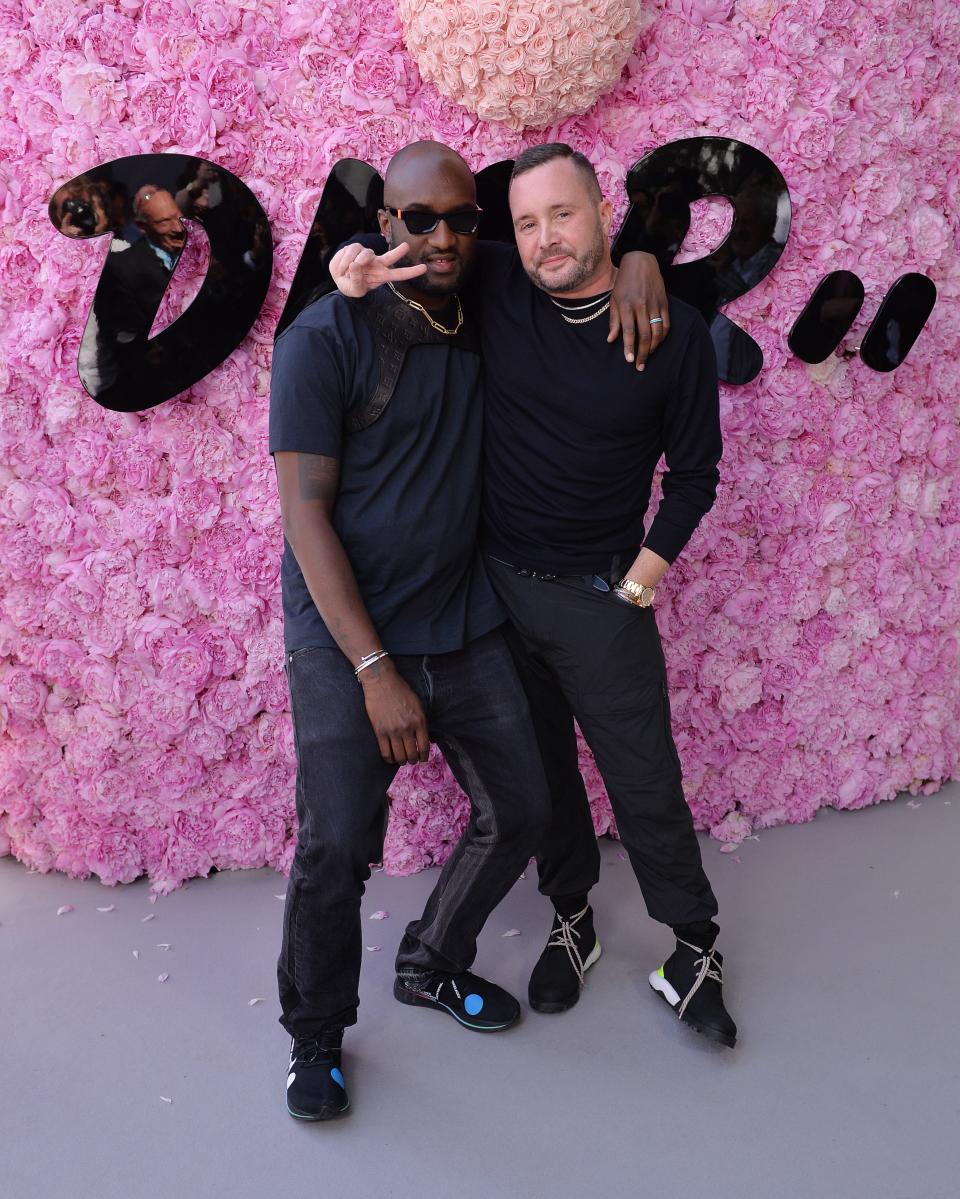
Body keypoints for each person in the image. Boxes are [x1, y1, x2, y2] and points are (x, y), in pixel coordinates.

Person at [331, 142, 737, 1050]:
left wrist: (643, 576)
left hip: (602, 598)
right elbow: (410, 250)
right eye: (523, 223)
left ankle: (695, 947)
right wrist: (345, 262)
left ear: (601, 213)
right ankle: (571, 916)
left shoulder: (669, 331)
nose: (544, 238)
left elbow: (697, 475)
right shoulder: (500, 287)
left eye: (562, 214)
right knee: (545, 771)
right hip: (497, 592)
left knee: (644, 782)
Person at [268, 142, 558, 1123]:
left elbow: (589, 249)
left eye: (461, 220)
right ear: (383, 224)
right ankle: (315, 1036)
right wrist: (374, 669)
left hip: (462, 619)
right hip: (346, 636)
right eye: (418, 220)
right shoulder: (323, 335)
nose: (442, 238)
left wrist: (642, 263)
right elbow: (304, 516)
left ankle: (432, 962)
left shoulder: (488, 305)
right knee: (337, 846)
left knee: (521, 806)